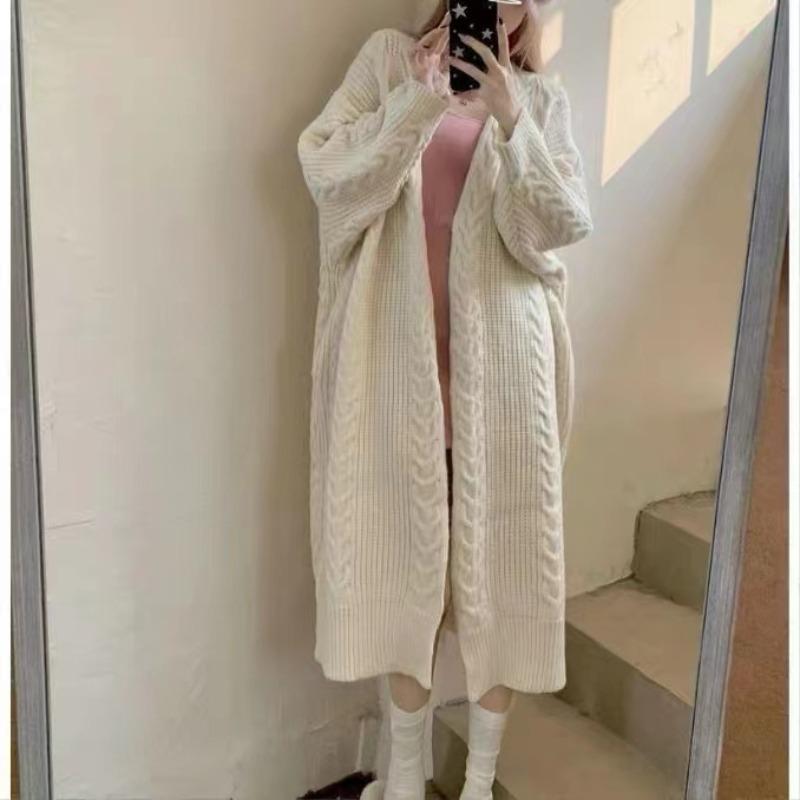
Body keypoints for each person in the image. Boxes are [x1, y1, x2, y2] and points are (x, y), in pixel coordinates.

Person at [296, 1, 592, 797]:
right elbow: (328, 175)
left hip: (506, 382)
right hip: (396, 376)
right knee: (404, 575)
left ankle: (479, 784)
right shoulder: (389, 62)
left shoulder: (542, 99)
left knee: (505, 579)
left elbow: (563, 223)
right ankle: (403, 779)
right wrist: (418, 101)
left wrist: (513, 120)